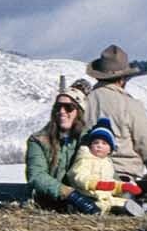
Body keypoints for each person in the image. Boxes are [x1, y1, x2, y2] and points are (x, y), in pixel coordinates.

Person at [83, 44, 147, 184]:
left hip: (87, 177)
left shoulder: (83, 102)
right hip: (123, 178)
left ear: (98, 77)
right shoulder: (131, 105)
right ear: (122, 80)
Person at [24, 80, 99, 213]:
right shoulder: (38, 140)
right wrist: (69, 194)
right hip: (49, 204)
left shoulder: (91, 139)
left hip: (87, 201)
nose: (62, 111)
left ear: (79, 112)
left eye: (68, 107)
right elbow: (36, 175)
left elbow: (104, 165)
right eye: (58, 107)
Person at [66, 118, 144, 215]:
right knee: (95, 206)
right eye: (96, 143)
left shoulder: (107, 163)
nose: (99, 146)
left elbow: (110, 184)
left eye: (104, 143)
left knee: (122, 202)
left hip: (106, 198)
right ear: (90, 145)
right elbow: (78, 177)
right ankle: (126, 210)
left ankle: (143, 207)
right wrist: (95, 184)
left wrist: (122, 186)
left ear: (109, 149)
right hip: (89, 195)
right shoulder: (85, 159)